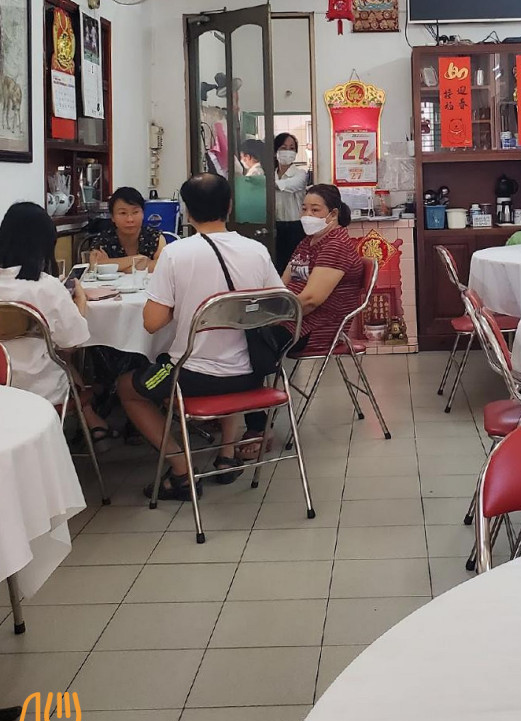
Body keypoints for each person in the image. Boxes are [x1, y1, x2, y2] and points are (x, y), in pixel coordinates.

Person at [117, 173, 284, 500]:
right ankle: (226, 454)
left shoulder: (176, 254)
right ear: (230, 206)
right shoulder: (256, 251)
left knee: (127, 387)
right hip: (250, 374)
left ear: (187, 211)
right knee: (233, 351)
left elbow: (152, 323)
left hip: (188, 378)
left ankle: (181, 469)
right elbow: (277, 308)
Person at [0, 202, 113, 441]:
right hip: (39, 387)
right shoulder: (46, 287)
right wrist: (80, 301)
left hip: (4, 386)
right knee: (60, 355)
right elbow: (72, 343)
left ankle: (92, 419)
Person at [283, 183, 363, 353]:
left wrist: (274, 316)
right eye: (304, 209)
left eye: (315, 210)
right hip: (289, 318)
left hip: (311, 328)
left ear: (333, 214)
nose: (307, 215)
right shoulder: (307, 242)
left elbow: (310, 300)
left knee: (251, 340)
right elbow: (283, 284)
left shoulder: (336, 246)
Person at [91, 187, 166, 273]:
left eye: (135, 212)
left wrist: (111, 264)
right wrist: (138, 259)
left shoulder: (155, 238)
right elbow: (95, 266)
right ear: (112, 217)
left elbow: (162, 267)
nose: (130, 219)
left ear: (143, 213)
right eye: (123, 213)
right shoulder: (102, 240)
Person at [273, 132, 307, 273]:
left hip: (296, 227)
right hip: (275, 227)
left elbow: (290, 185)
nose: (288, 151)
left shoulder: (301, 174)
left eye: (291, 148)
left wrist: (266, 183)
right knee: (277, 266)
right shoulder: (271, 175)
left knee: (295, 269)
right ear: (275, 151)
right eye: (283, 147)